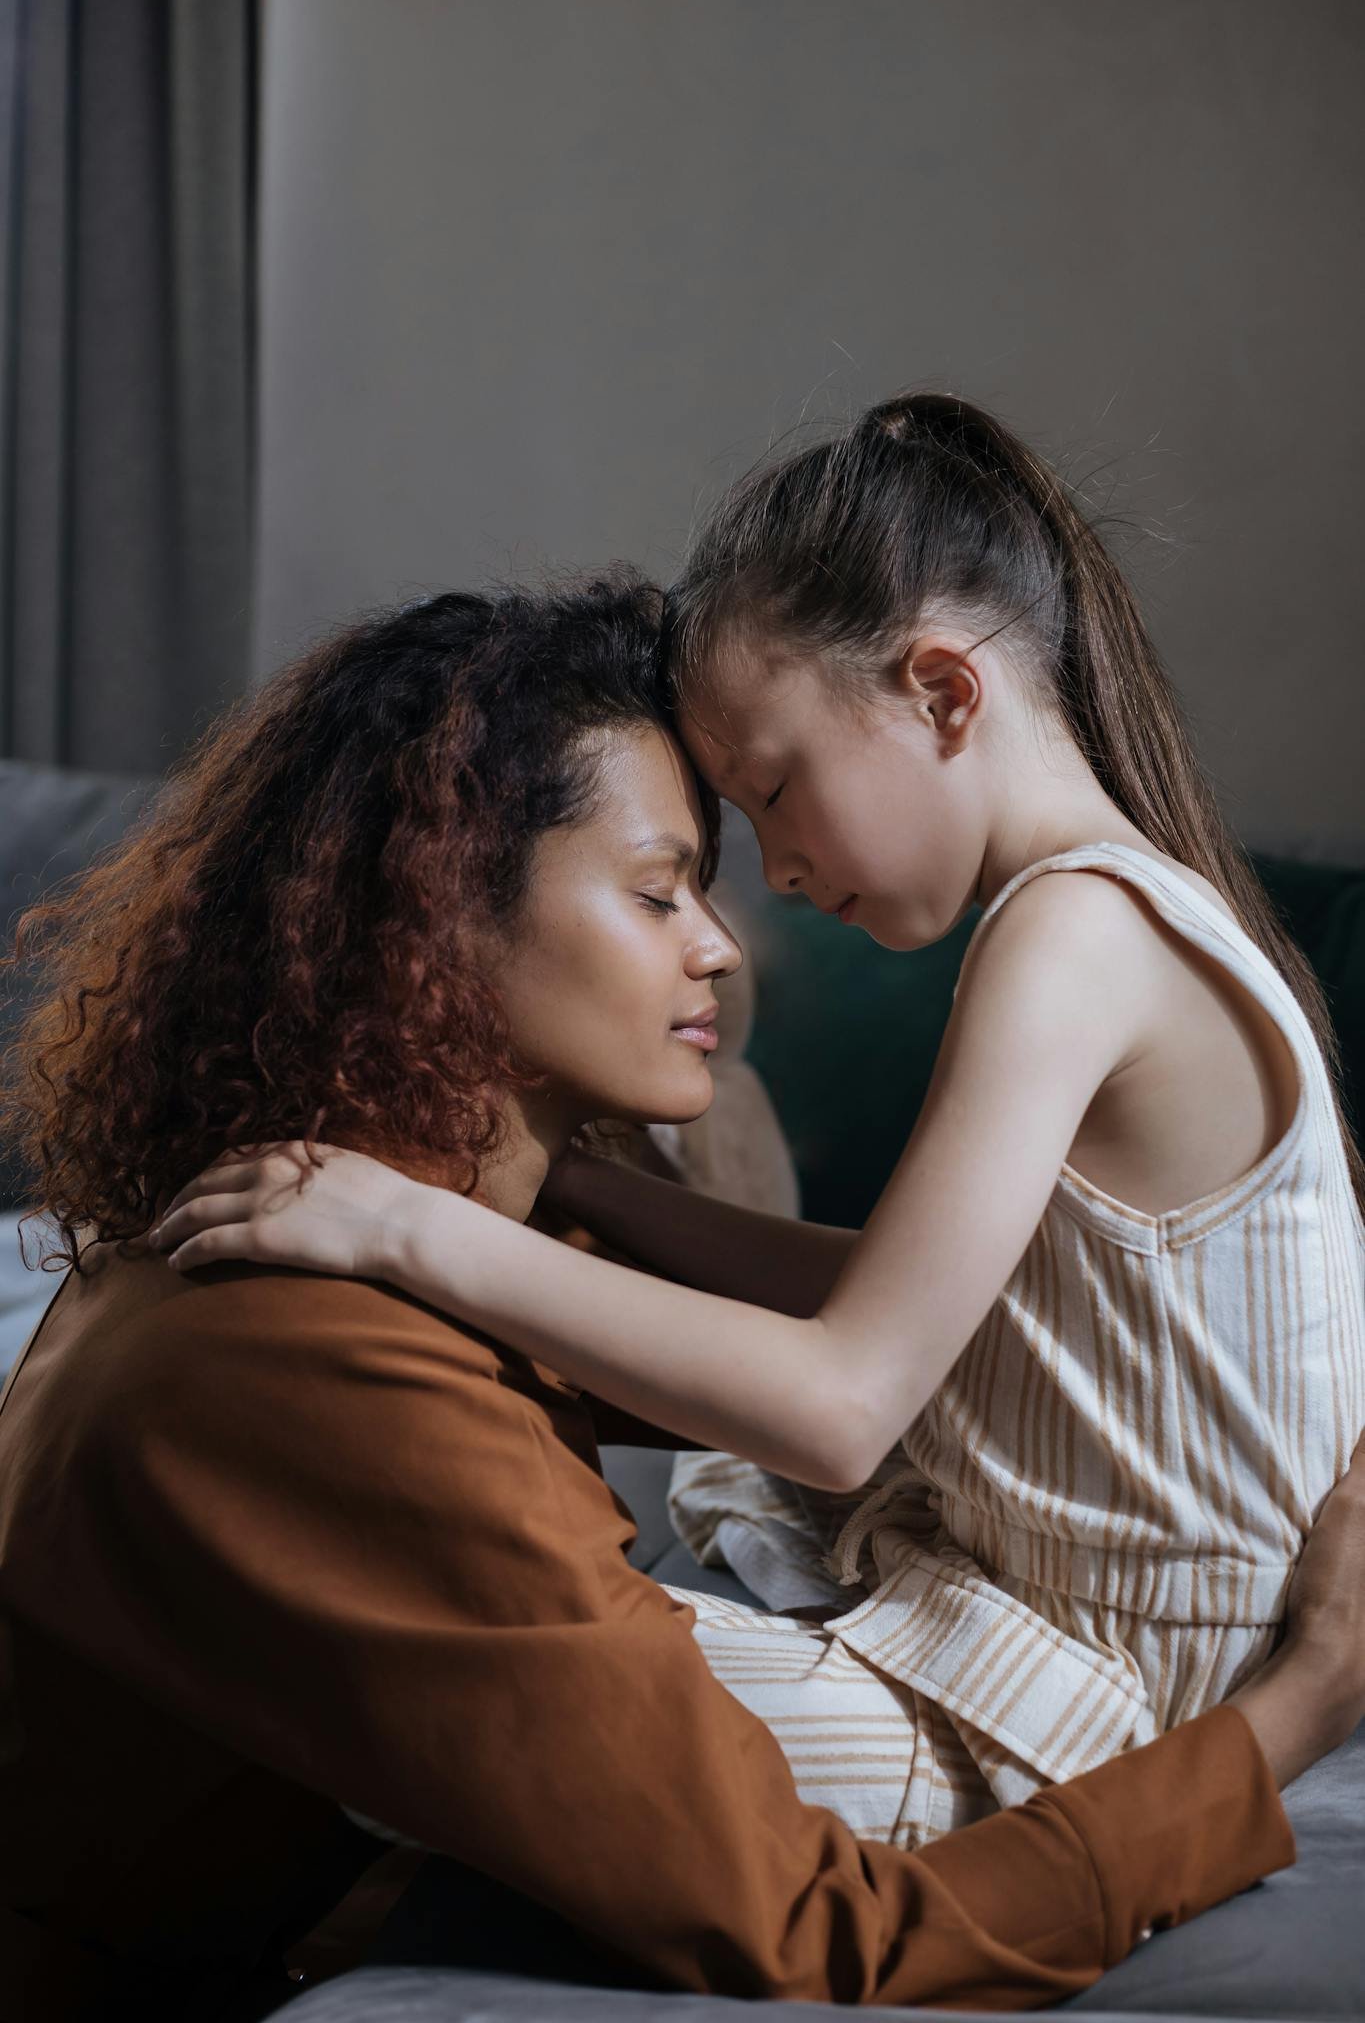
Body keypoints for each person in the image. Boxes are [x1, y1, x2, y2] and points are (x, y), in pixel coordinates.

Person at [3, 576, 1361, 2021]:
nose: (719, 942)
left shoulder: (351, 1223)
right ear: (439, 918)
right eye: (658, 891)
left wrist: (587, 1191)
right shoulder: (323, 1368)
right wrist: (1307, 1697)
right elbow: (835, 1938)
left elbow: (901, 1338)